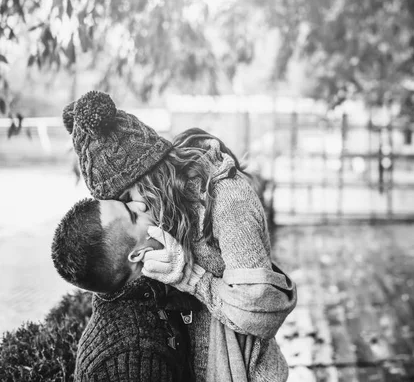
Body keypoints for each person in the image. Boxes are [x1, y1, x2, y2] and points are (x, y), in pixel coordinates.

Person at [63, 91, 296, 382]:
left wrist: (191, 279)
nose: (136, 208)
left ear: (147, 174)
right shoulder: (164, 213)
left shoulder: (225, 197)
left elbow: (262, 309)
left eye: (127, 197)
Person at [51, 198, 201, 381]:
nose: (141, 204)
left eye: (126, 201)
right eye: (133, 215)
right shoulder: (133, 357)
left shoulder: (139, 294)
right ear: (137, 254)